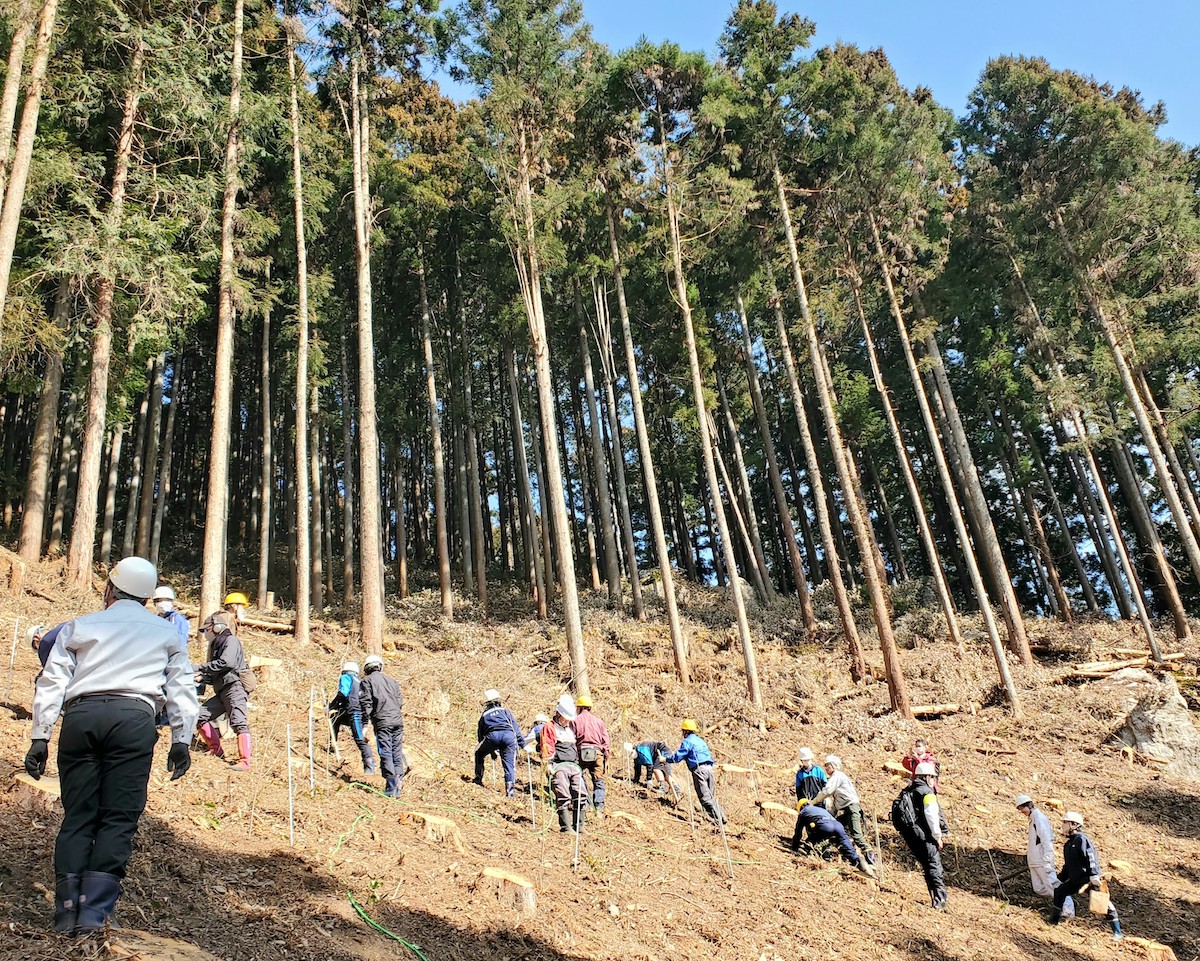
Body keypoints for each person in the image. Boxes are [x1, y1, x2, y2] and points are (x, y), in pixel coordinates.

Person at [24, 556, 198, 934]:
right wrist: (181, 740)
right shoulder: (165, 633)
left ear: (109, 589)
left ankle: (66, 911)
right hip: (134, 720)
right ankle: (94, 915)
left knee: (79, 816)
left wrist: (40, 736)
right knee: (118, 817)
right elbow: (182, 689)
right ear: (148, 598)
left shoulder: (79, 626)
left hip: (81, 718)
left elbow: (51, 682)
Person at [194, 612, 253, 771]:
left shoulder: (230, 640)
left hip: (234, 687)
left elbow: (226, 663)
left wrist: (200, 667)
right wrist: (202, 678)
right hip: (222, 690)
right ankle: (216, 750)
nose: (205, 634)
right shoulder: (216, 646)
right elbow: (217, 671)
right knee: (199, 716)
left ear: (217, 627)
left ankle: (245, 761)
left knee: (238, 721)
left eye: (207, 629)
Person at [1050, 811, 1122, 940]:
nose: (1063, 825)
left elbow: (1091, 857)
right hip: (1075, 879)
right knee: (1060, 891)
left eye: (1065, 823)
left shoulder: (1082, 840)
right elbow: (1068, 865)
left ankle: (1117, 932)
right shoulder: (1068, 844)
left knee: (1103, 902)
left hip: (1087, 879)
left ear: (1074, 824)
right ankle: (1053, 920)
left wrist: (1094, 875)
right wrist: (1060, 878)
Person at [890, 761, 947, 909]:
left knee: (927, 866)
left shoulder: (907, 790)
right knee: (934, 865)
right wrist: (938, 836)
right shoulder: (927, 793)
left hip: (911, 835)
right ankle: (940, 901)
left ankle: (934, 898)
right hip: (925, 836)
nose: (934, 781)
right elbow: (931, 815)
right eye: (933, 778)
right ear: (927, 777)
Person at [358, 655, 407, 798]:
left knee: (386, 752)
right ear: (380, 666)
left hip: (382, 722)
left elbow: (366, 704)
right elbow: (399, 701)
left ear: (366, 668)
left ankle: (391, 788)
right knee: (396, 752)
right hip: (397, 722)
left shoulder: (366, 681)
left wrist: (364, 725)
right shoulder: (392, 681)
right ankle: (398, 783)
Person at [812, 755, 874, 865]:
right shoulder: (837, 780)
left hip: (851, 808)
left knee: (857, 835)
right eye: (825, 766)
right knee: (833, 828)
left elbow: (827, 791)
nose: (826, 768)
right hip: (845, 810)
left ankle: (870, 858)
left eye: (828, 765)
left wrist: (813, 802)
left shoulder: (838, 776)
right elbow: (836, 803)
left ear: (834, 765)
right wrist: (830, 816)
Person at [540, 695, 586, 833]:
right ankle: (566, 826)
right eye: (566, 718)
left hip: (574, 765)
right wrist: (547, 764)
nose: (567, 721)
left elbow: (576, 745)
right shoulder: (549, 727)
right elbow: (547, 745)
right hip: (559, 765)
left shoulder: (570, 728)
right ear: (559, 714)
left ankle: (580, 826)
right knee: (563, 794)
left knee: (581, 793)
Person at [664, 719, 724, 824]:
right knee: (710, 796)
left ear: (685, 731)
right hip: (709, 769)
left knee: (705, 797)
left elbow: (678, 757)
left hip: (699, 770)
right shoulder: (700, 741)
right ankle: (720, 817)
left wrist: (665, 759)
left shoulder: (687, 742)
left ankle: (719, 820)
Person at [794, 802, 877, 877]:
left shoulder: (803, 812)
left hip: (824, 825)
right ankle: (865, 868)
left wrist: (795, 846)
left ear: (800, 807)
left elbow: (798, 832)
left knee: (812, 841)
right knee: (847, 847)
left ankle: (825, 857)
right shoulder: (820, 809)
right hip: (838, 826)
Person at [328, 661, 377, 776]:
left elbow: (343, 693)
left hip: (354, 712)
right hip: (355, 711)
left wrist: (331, 706)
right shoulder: (359, 681)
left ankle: (369, 767)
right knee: (335, 718)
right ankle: (332, 744)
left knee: (360, 739)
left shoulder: (346, 677)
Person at [474, 688, 523, 797]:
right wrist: (522, 744)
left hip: (492, 737)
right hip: (509, 737)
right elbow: (515, 728)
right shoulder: (506, 712)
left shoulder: (484, 715)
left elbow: (481, 736)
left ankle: (478, 779)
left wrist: (490, 750)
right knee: (509, 765)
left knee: (478, 753)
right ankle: (510, 793)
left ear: (486, 703)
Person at [573, 694, 610, 819]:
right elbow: (606, 740)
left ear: (579, 707)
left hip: (581, 752)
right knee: (598, 780)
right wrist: (606, 754)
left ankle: (586, 803)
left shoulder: (575, 720)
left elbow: (572, 738)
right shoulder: (599, 721)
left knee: (580, 778)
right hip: (597, 753)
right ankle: (599, 806)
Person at [1016, 794, 1058, 898]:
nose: (1022, 811)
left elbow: (1047, 840)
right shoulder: (1033, 819)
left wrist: (1047, 860)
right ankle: (1060, 904)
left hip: (1042, 861)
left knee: (1054, 887)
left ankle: (1067, 910)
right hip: (1035, 861)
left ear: (1029, 806)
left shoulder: (1039, 819)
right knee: (1039, 888)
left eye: (1022, 808)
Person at [790, 747, 828, 849]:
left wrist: (825, 798)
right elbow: (799, 791)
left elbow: (826, 786)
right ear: (801, 761)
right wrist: (801, 804)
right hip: (807, 803)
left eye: (808, 760)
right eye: (805, 760)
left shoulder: (818, 770)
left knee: (821, 823)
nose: (807, 762)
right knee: (809, 824)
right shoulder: (800, 774)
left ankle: (823, 845)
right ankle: (812, 843)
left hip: (819, 801)